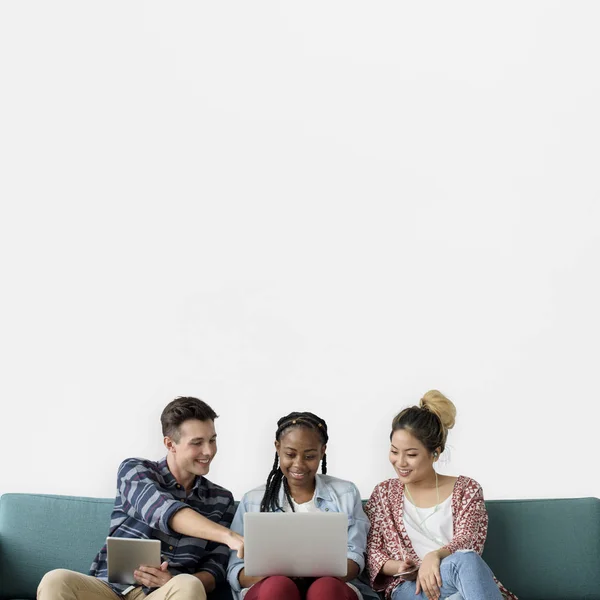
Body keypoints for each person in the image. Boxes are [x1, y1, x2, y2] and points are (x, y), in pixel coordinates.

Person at [38, 397, 243, 600]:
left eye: (212, 440)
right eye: (197, 443)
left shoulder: (221, 499)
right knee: (55, 580)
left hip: (165, 593)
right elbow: (164, 511)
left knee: (189, 584)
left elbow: (214, 571)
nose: (208, 451)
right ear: (170, 444)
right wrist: (228, 535)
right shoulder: (135, 471)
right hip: (109, 590)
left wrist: (170, 581)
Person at [364, 390, 517, 600]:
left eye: (411, 455)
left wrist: (434, 556)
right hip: (411, 588)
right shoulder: (383, 494)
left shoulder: (466, 490)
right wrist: (400, 566)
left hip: (457, 578)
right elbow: (372, 552)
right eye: (394, 451)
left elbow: (469, 541)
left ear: (435, 453)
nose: (400, 462)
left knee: (465, 568)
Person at [227, 411, 378, 600]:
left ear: (323, 451)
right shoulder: (254, 500)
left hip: (332, 585)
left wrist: (310, 572)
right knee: (277, 586)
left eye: (309, 456)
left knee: (326, 588)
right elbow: (236, 570)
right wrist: (277, 573)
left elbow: (355, 557)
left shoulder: (346, 494)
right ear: (277, 448)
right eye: (290, 454)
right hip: (271, 589)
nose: (298, 464)